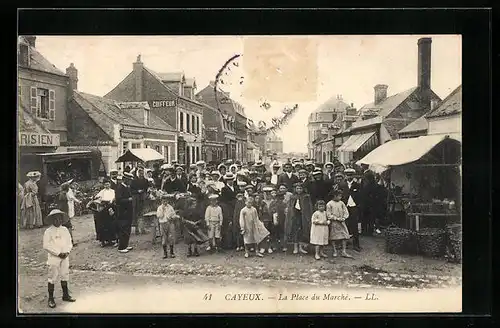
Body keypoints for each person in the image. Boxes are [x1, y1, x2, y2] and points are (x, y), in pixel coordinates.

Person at [43, 209, 76, 309]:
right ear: (52, 220)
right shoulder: (48, 231)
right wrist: (58, 253)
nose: (58, 220)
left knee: (65, 274)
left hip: (65, 256)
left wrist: (67, 252)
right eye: (56, 219)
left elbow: (69, 242)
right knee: (52, 276)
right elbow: (46, 245)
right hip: (54, 258)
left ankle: (65, 295)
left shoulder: (65, 230)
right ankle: (51, 298)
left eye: (60, 218)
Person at [285, 183, 313, 255]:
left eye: (300, 188)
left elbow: (308, 207)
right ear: (295, 189)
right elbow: (290, 206)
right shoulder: (293, 197)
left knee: (302, 231)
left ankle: (300, 247)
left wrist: (308, 216)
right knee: (295, 231)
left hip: (302, 216)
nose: (299, 190)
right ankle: (295, 247)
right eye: (297, 188)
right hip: (295, 216)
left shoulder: (306, 196)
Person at [327, 190, 353, 258]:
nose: (340, 197)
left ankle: (343, 251)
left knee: (344, 236)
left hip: (342, 222)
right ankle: (335, 251)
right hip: (334, 223)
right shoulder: (329, 204)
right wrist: (336, 218)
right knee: (333, 237)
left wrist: (344, 217)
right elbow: (329, 214)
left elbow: (346, 211)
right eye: (339, 196)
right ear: (335, 196)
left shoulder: (341, 203)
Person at [93, 179, 117, 247]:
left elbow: (114, 198)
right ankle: (103, 241)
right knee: (103, 225)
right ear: (104, 185)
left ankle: (111, 240)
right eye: (106, 184)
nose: (107, 185)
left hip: (111, 208)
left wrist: (112, 201)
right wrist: (101, 200)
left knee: (111, 224)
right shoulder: (102, 192)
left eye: (108, 184)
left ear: (110, 184)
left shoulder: (113, 191)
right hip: (103, 209)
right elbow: (96, 198)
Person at [115, 173, 135, 253]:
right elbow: (118, 200)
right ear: (125, 179)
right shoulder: (120, 187)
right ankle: (121, 247)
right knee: (124, 228)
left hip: (128, 211)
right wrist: (128, 199)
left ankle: (125, 244)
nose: (130, 182)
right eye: (129, 180)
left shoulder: (126, 187)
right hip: (123, 212)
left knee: (128, 228)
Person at [156, 194, 178, 259]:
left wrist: (172, 217)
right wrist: (162, 210)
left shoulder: (170, 207)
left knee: (171, 237)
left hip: (170, 223)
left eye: (166, 201)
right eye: (163, 201)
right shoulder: (159, 208)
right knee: (164, 238)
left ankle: (172, 252)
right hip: (163, 224)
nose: (165, 202)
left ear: (168, 201)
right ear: (161, 201)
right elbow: (159, 216)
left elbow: (174, 214)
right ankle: (165, 253)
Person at [220, 173, 238, 250]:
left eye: (231, 180)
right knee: (227, 225)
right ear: (226, 181)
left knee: (235, 224)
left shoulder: (236, 188)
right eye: (229, 180)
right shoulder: (224, 189)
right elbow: (225, 200)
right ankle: (226, 244)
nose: (230, 181)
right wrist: (234, 200)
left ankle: (234, 243)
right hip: (228, 208)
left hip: (235, 208)